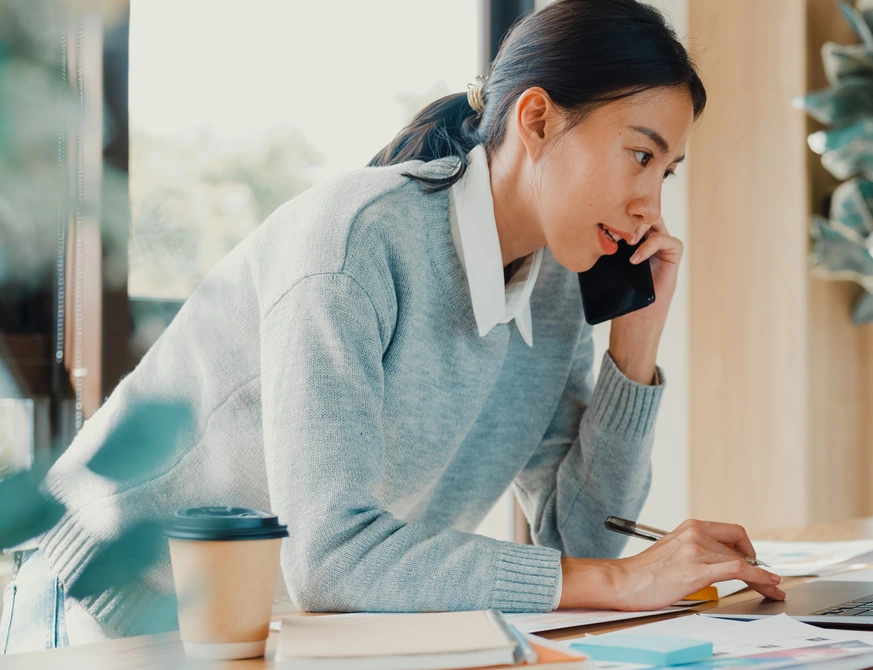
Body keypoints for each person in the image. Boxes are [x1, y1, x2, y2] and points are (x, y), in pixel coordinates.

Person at [1, 0, 784, 654]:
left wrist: (634, 350)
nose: (653, 204)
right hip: (99, 610)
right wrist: (620, 582)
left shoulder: (552, 290)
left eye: (667, 172)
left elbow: (577, 544)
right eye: (639, 156)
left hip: (259, 629)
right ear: (538, 118)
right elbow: (334, 559)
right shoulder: (353, 243)